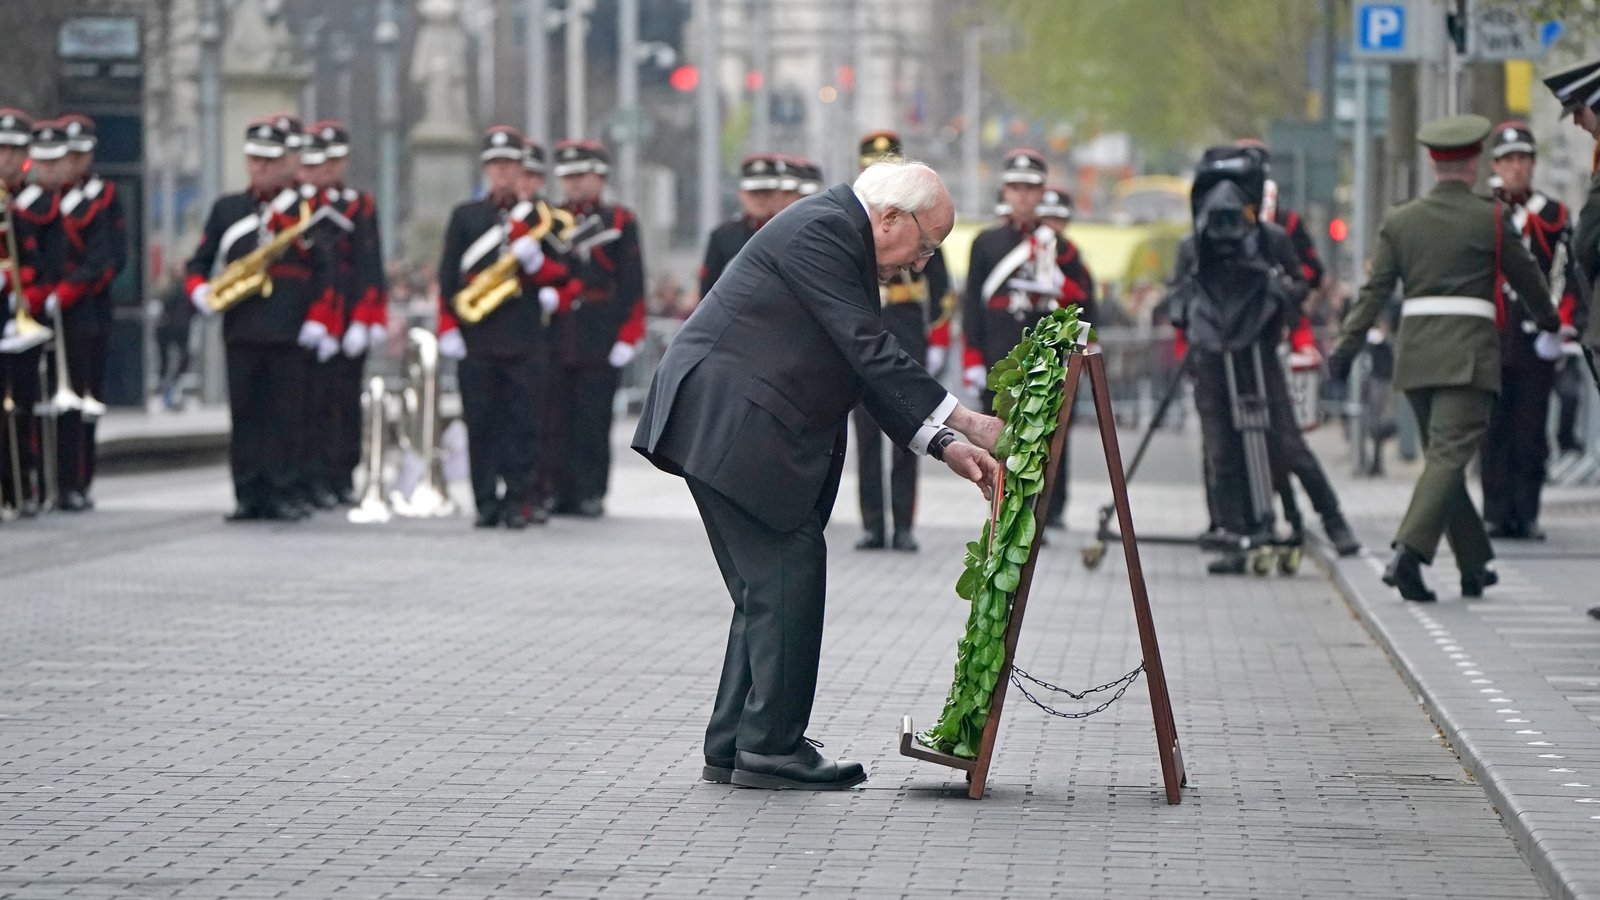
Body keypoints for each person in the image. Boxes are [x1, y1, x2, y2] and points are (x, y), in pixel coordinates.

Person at [632, 160, 1001, 791]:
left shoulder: (836, 234)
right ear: (891, 218)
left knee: (766, 590)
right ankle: (771, 748)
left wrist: (941, 443)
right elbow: (867, 346)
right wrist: (966, 417)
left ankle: (736, 744)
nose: (921, 264)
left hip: (730, 423)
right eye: (927, 245)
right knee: (786, 578)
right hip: (734, 424)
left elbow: (858, 364)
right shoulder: (824, 231)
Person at [1329, 114, 1558, 602]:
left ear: (1434, 163)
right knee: (1450, 457)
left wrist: (1344, 349)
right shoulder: (1491, 216)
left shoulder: (1401, 219)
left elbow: (1372, 294)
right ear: (1474, 163)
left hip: (1416, 355)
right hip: (1469, 356)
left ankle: (1475, 564)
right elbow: (1528, 279)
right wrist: (1552, 320)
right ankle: (1409, 555)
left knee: (1443, 459)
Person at [185, 115, 344, 522]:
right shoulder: (228, 209)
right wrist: (199, 290)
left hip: (290, 328)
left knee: (287, 416)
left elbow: (327, 272)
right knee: (246, 415)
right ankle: (248, 493)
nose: (260, 167)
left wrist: (319, 320)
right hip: (242, 326)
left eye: (270, 160)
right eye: (254, 159)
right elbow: (199, 262)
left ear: (289, 162)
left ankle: (284, 491)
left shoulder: (308, 210)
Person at [1168, 147, 1312, 573]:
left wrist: (1275, 297)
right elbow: (1175, 297)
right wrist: (1193, 314)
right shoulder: (1193, 245)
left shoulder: (1270, 241)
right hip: (1212, 356)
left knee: (1280, 441)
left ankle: (1301, 523)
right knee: (1221, 449)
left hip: (1259, 352)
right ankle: (1233, 533)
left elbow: (1302, 283)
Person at [436, 126, 577, 529]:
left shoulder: (541, 218)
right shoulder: (466, 216)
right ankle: (485, 500)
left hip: (525, 337)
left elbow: (565, 275)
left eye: (509, 166)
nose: (502, 173)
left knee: (524, 424)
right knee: (480, 422)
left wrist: (538, 266)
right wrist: (448, 327)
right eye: (495, 165)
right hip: (477, 339)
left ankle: (520, 499)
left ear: (521, 170)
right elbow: (449, 277)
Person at [961, 149, 1094, 528]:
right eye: (1016, 188)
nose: (1022, 196)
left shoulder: (1059, 247)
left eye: (1030, 188)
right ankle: (1003, 511)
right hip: (999, 359)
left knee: (1046, 440)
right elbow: (973, 305)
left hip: (1044, 360)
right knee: (1000, 439)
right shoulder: (985, 243)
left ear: (1041, 193)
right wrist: (971, 358)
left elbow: (1081, 299)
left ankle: (1045, 514)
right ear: (1005, 190)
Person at [1479, 122, 1584, 541]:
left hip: (1533, 338)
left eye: (1524, 160)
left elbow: (1569, 273)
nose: (1517, 169)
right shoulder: (1482, 211)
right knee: (1492, 431)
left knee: (1531, 431)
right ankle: (1494, 511)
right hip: (1491, 338)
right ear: (1496, 165)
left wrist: (1560, 325)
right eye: (1509, 161)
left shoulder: (1554, 215)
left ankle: (1527, 512)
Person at [850, 130, 950, 552]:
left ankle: (904, 524)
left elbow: (941, 293)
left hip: (907, 334)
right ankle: (873, 524)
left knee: (911, 432)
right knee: (866, 438)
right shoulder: (858, 227)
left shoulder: (918, 220)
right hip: (864, 333)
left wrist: (939, 340)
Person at [547, 139, 645, 518]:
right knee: (555, 417)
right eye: (568, 177)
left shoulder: (619, 221)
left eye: (581, 176)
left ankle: (591, 491)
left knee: (593, 418)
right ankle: (558, 490)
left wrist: (628, 334)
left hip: (599, 333)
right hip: (559, 333)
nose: (573, 184)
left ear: (599, 177)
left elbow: (632, 282)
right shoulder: (550, 218)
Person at [50, 114, 126, 511]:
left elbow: (113, 256)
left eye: (80, 154)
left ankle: (78, 479)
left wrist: (75, 286)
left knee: (83, 399)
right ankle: (46, 480)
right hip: (47, 309)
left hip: (88, 313)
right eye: (68, 154)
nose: (73, 162)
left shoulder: (104, 196)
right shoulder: (43, 197)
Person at [698, 154, 781, 298]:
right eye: (754, 193)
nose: (760, 199)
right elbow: (707, 290)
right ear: (741, 194)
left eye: (766, 192)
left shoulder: (789, 233)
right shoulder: (723, 236)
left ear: (777, 194)